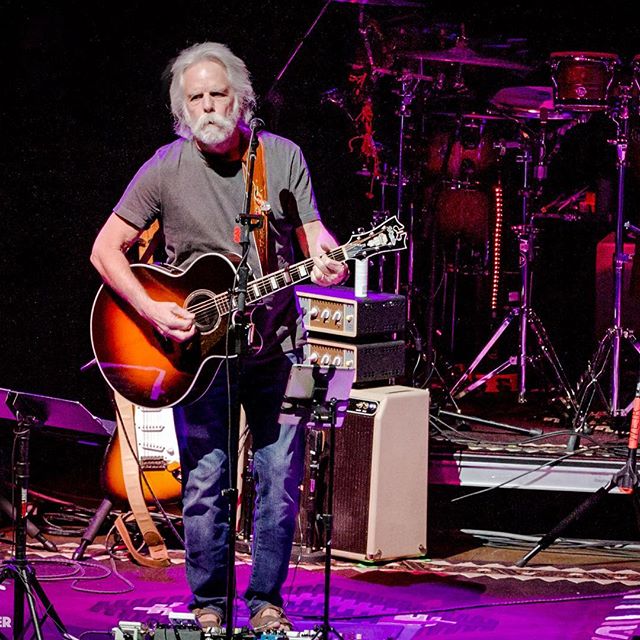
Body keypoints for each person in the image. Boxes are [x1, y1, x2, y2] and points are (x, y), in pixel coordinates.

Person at [90, 41, 348, 632]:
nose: (208, 106)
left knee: (279, 478)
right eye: (195, 97)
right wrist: (151, 308)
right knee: (206, 479)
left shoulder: (282, 158)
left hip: (278, 346)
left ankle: (266, 602)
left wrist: (329, 255)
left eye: (218, 93)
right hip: (197, 354)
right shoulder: (164, 167)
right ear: (181, 109)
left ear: (242, 99)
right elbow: (106, 249)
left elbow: (313, 232)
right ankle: (209, 602)